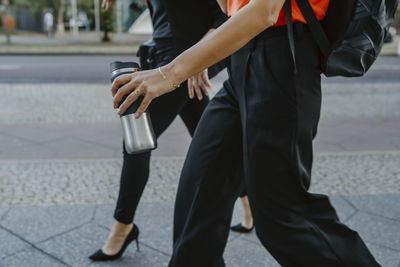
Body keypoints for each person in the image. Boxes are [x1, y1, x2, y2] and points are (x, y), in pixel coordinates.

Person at [111, 0, 381, 265]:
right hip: (242, 64)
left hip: (282, 60)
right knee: (199, 196)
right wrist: (200, 56)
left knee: (283, 218)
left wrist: (171, 73)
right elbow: (227, 7)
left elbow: (265, 10)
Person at [89, 0, 227, 261]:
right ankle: (247, 205)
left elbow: (226, 15)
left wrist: (199, 57)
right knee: (209, 139)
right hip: (165, 58)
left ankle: (122, 228)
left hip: (181, 64)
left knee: (136, 137)